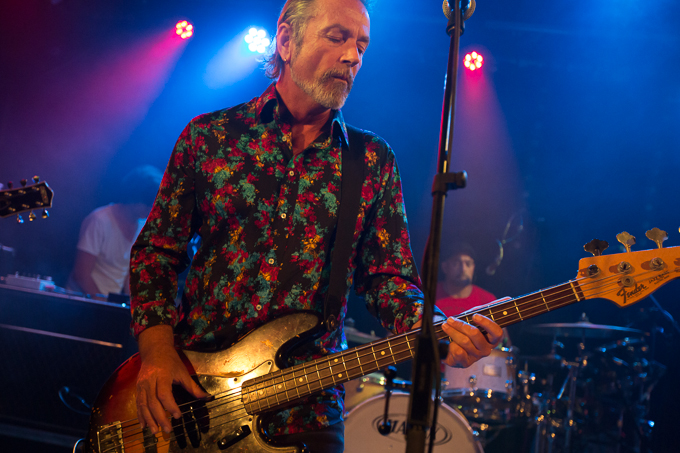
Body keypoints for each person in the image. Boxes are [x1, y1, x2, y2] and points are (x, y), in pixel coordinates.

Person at [129, 1, 504, 451]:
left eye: (362, 45)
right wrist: (156, 350)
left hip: (307, 411)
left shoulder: (371, 160)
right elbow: (156, 252)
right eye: (337, 37)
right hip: (195, 400)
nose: (353, 56)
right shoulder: (210, 137)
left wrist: (440, 332)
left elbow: (389, 281)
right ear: (287, 41)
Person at [67, 165, 162, 297]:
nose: (152, 210)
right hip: (81, 301)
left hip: (108, 303)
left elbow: (129, 276)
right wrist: (103, 303)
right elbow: (81, 276)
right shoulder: (99, 220)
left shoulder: (143, 228)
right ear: (136, 197)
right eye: (149, 204)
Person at [436, 242, 497, 317]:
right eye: (456, 263)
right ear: (445, 267)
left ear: (473, 267)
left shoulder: (488, 301)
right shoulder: (428, 296)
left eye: (468, 264)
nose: (463, 269)